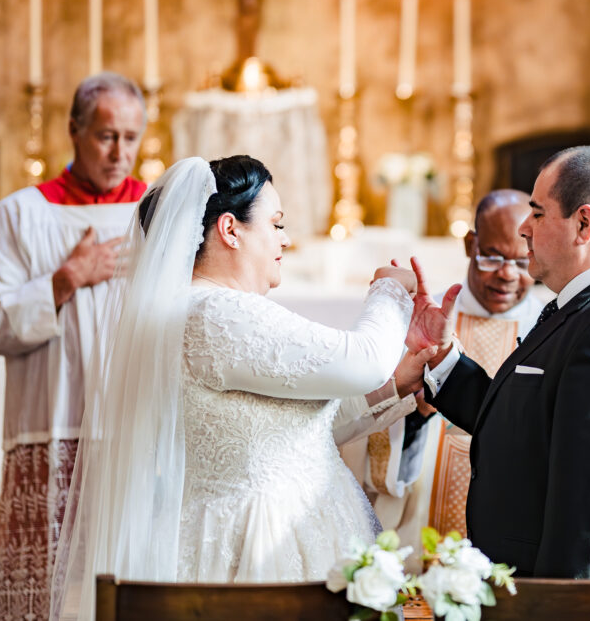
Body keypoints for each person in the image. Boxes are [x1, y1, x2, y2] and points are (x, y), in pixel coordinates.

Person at [51, 156, 422, 620]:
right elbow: (363, 359)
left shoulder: (203, 310)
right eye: (276, 223)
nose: (285, 239)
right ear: (230, 229)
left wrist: (397, 383)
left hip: (274, 531)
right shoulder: (217, 314)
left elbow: (297, 430)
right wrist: (390, 290)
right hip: (259, 548)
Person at [416, 146, 590, 579]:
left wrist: (552, 607)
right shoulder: (587, 307)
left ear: (583, 224)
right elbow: (527, 422)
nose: (525, 228)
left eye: (538, 214)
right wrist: (445, 357)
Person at [0, 72, 147, 619]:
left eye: (131, 138)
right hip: (48, 438)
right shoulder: (20, 216)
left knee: (128, 592)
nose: (120, 154)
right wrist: (64, 279)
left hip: (134, 438)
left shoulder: (158, 217)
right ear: (74, 130)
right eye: (106, 136)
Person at [342, 190, 544, 562]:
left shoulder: (545, 328)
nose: (507, 275)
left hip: (502, 533)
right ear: (471, 244)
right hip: (414, 528)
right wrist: (415, 418)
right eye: (493, 257)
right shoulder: (423, 316)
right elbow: (361, 426)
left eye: (522, 261)